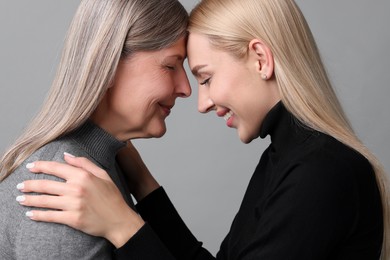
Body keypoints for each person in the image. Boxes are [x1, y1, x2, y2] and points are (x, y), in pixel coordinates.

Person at [13, 0, 389, 259]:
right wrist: (143, 185)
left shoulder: (321, 172)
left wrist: (124, 226)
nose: (199, 99)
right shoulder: (287, 158)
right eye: (173, 68)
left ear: (260, 59)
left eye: (205, 78)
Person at [0, 0, 190, 259]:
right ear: (109, 64)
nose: (186, 88)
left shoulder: (103, 163)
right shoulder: (61, 183)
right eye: (170, 66)